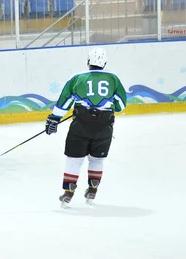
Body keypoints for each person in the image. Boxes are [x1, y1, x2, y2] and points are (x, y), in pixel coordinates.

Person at [45, 47, 127, 207]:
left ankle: (69, 191)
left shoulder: (77, 78)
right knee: (97, 159)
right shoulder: (114, 79)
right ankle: (93, 188)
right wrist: (112, 107)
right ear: (104, 63)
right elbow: (121, 105)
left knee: (74, 159)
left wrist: (54, 119)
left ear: (88, 61)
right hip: (104, 126)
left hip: (80, 124)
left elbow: (64, 101)